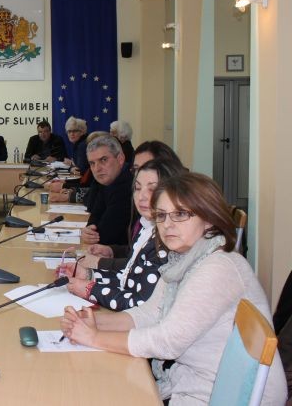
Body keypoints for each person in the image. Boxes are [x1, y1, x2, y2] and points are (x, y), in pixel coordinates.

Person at [61, 172, 287, 405]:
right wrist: (91, 322)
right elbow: (150, 313)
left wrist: (95, 338)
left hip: (224, 394)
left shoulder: (219, 267)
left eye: (180, 214)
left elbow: (167, 341)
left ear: (209, 218)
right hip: (195, 382)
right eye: (161, 215)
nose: (167, 225)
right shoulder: (182, 259)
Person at [66, 159, 184, 310]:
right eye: (137, 188)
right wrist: (90, 275)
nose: (141, 196)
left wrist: (90, 289)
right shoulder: (146, 229)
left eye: (152, 189)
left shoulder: (165, 241)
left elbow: (140, 303)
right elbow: (128, 279)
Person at [81, 135, 132, 246]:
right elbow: (95, 214)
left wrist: (91, 234)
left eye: (103, 160)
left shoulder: (127, 186)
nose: (97, 169)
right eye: (92, 163)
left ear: (120, 159)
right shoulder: (108, 181)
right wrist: (88, 230)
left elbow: (105, 236)